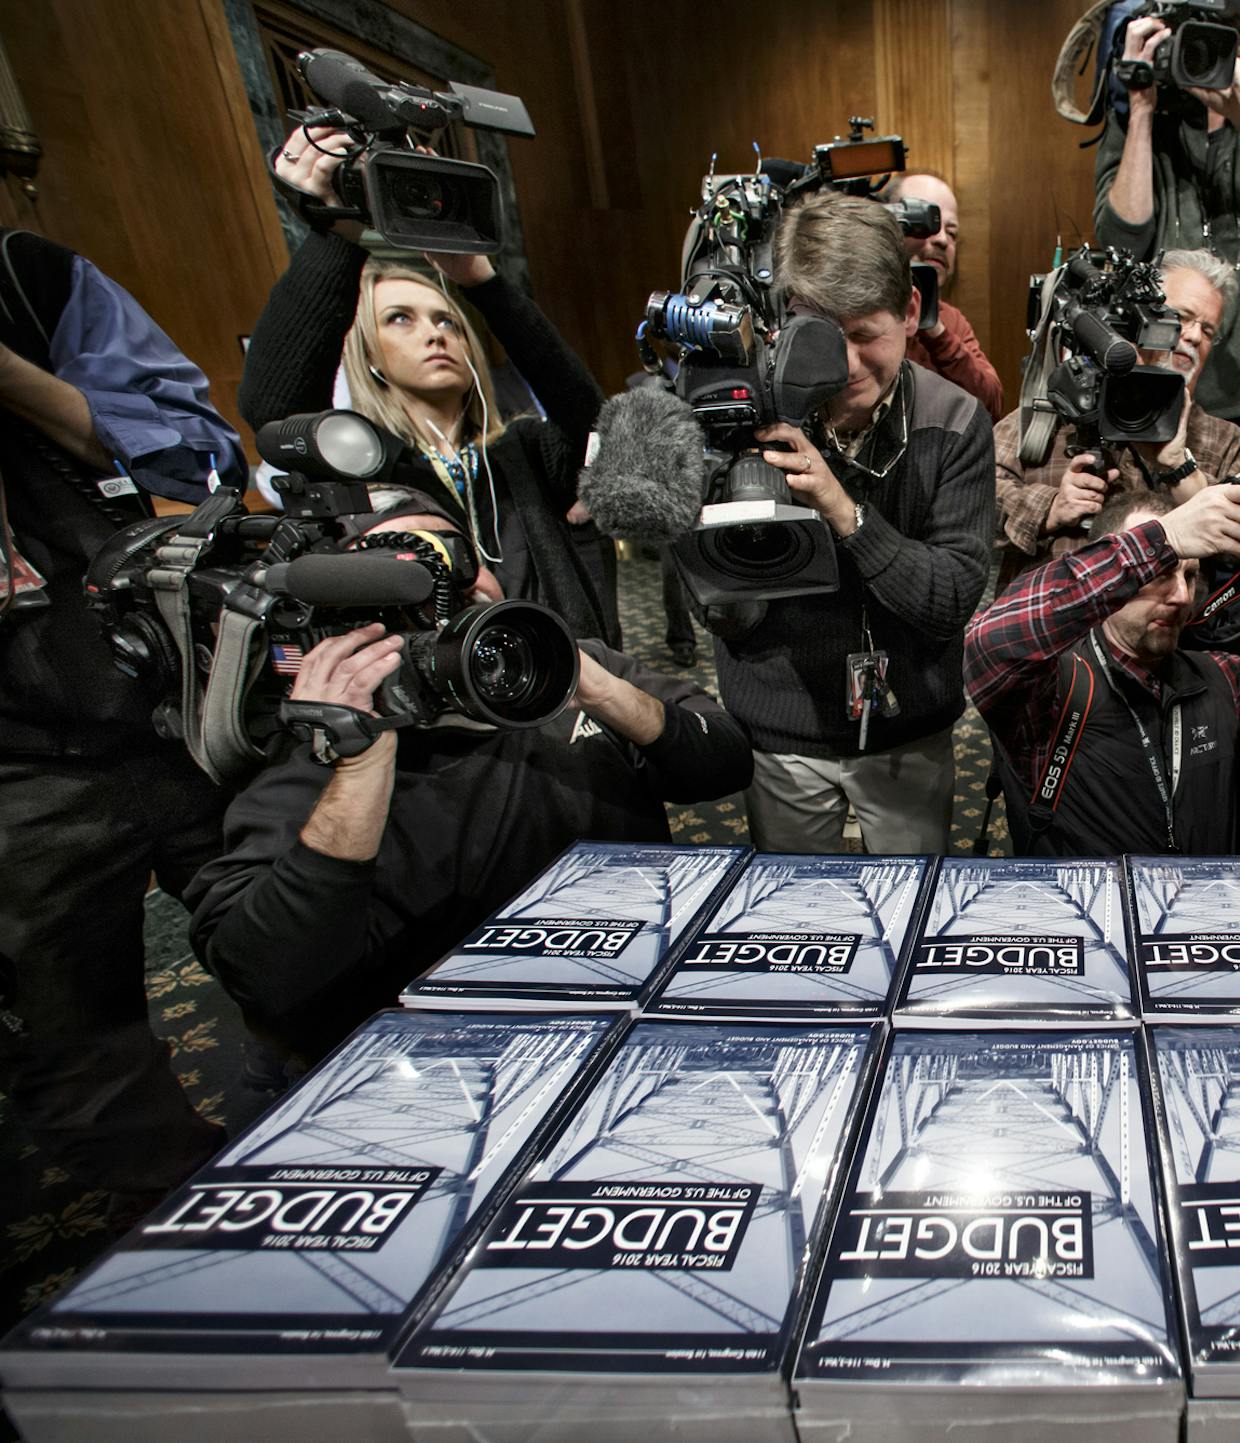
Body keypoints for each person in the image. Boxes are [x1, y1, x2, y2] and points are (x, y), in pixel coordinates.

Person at [188, 493, 750, 1060]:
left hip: (634, 978)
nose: (443, 584)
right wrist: (361, 756)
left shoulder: (566, 664)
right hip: (455, 1042)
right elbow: (270, 983)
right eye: (391, 571)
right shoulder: (324, 736)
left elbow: (724, 763)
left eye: (456, 556)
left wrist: (601, 691)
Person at [0, 227, 242, 1205]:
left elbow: (199, 457)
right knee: (80, 1051)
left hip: (161, 695)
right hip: (16, 773)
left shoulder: (32, 279)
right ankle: (184, 1268)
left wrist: (13, 379)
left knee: (313, 941)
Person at [245, 122, 619, 646]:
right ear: (371, 356)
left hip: (566, 687)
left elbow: (591, 419)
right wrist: (337, 236)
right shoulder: (366, 470)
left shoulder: (527, 452)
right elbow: (274, 409)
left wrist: (483, 285)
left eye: (447, 321)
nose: (434, 335)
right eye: (401, 319)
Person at [720, 193, 994, 855]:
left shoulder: (954, 421)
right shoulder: (740, 407)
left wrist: (841, 510)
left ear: (909, 311)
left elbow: (952, 596)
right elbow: (710, 583)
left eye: (866, 333)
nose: (843, 364)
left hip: (907, 725)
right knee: (794, 921)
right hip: (781, 719)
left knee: (906, 914)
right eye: (820, 334)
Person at [966, 483, 1240, 855]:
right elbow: (991, 642)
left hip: (1196, 923)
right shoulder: (1049, 687)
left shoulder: (1220, 678)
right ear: (1115, 576)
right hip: (1086, 923)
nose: (1181, 596)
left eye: (1189, 575)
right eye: (1161, 573)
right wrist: (1166, 538)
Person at [1095, 0, 1240, 433]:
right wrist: (1141, 106)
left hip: (1232, 400)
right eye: (1234, 23)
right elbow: (1121, 240)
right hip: (1144, 382)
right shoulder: (1139, 129)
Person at [994, 248, 1240, 583]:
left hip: (1169, 628)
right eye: (1181, 317)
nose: (1194, 336)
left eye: (1208, 330)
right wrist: (1050, 508)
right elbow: (971, 496)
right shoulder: (1051, 414)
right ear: (1134, 316)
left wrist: (1180, 469)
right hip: (1054, 623)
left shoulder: (1224, 441)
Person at [893, 172, 1004, 418]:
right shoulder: (855, 312)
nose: (943, 240)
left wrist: (936, 332)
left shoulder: (951, 321)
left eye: (952, 232)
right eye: (928, 224)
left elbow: (992, 404)